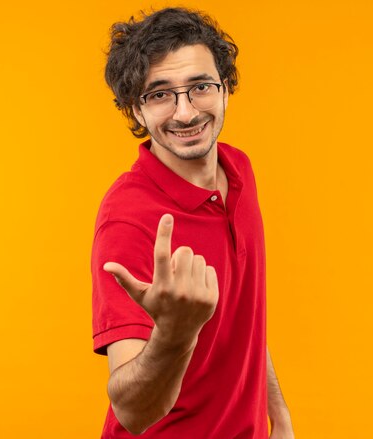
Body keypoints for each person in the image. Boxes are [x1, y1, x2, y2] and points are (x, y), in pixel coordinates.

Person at [91, 7, 294, 438]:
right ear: (136, 110)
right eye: (160, 94)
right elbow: (131, 411)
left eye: (200, 87)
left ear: (225, 90)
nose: (185, 113)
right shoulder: (128, 220)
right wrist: (176, 334)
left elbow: (246, 318)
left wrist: (280, 417)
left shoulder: (238, 169)